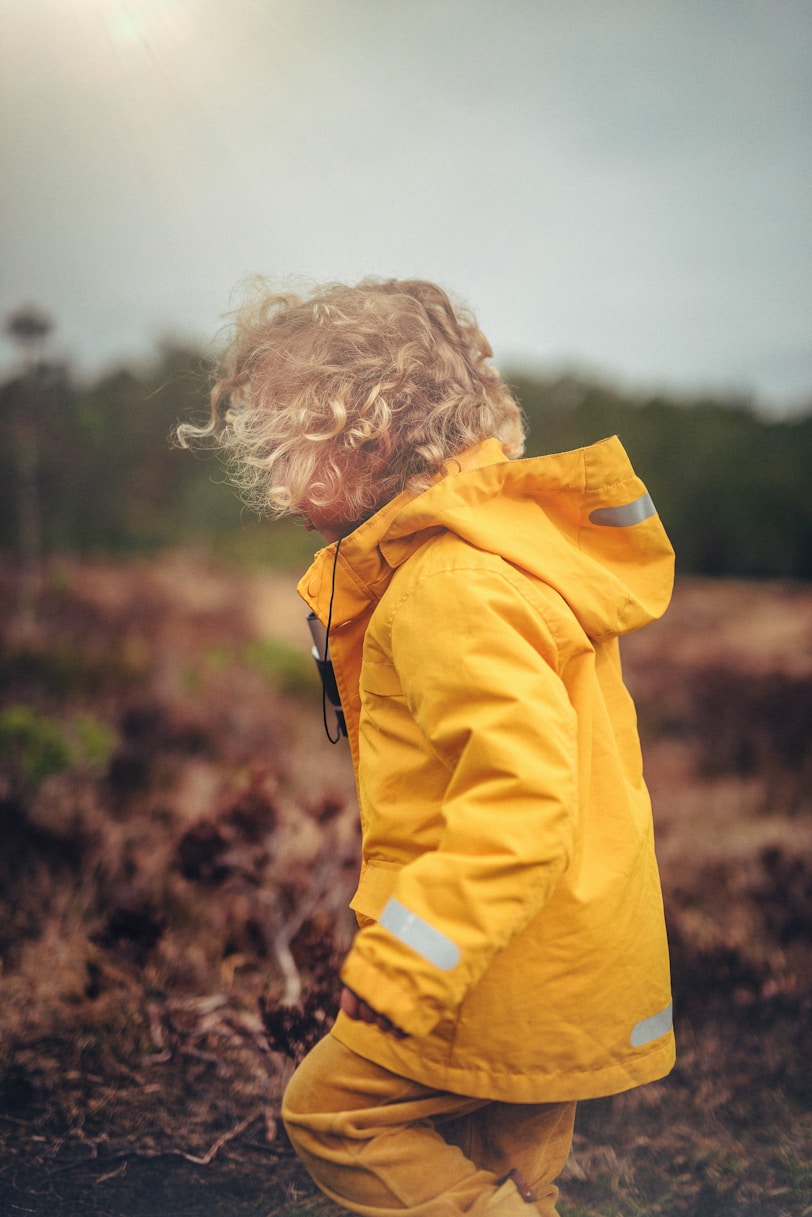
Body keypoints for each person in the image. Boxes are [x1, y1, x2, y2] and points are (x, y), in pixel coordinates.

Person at [177, 278, 676, 1216]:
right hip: (563, 951)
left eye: (288, 444)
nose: (275, 482)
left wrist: (411, 966)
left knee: (332, 1116)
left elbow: (521, 802)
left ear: (366, 435)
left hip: (491, 971)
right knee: (511, 1175)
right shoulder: (504, 553)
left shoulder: (448, 584)